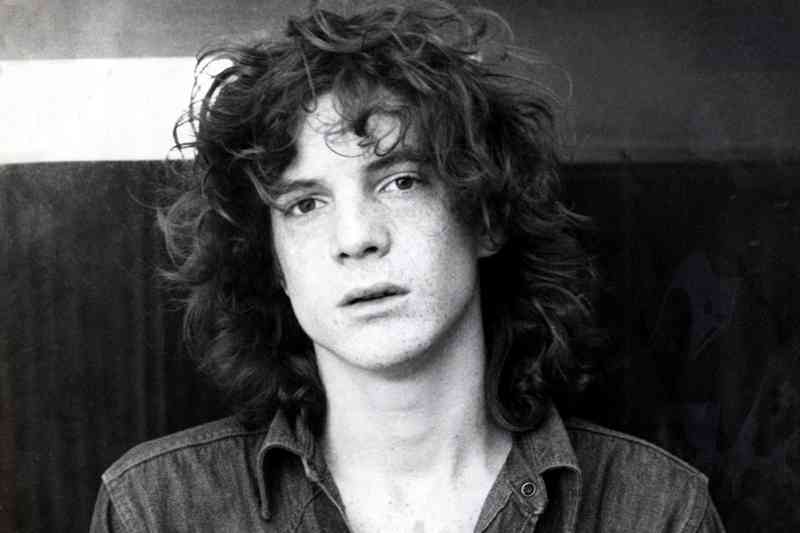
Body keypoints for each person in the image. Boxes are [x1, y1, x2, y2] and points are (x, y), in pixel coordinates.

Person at [90, 2, 725, 531]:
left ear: (485, 216)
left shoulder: (657, 511)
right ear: (273, 262)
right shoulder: (157, 509)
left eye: (400, 182)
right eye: (305, 204)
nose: (356, 238)